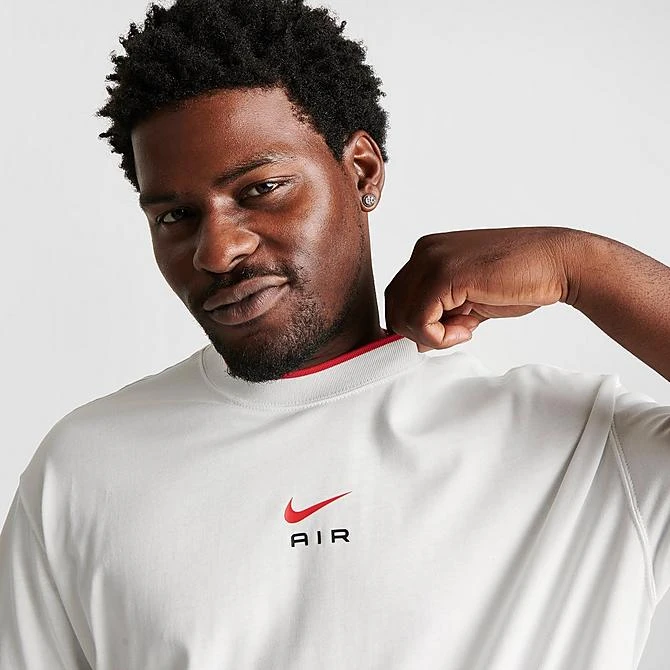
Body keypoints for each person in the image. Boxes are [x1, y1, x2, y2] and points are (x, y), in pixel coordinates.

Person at [0, 0, 668, 667]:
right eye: (175, 216)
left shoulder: (581, 449)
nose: (217, 251)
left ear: (362, 170)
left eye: (261, 189)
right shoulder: (85, 469)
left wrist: (581, 265)